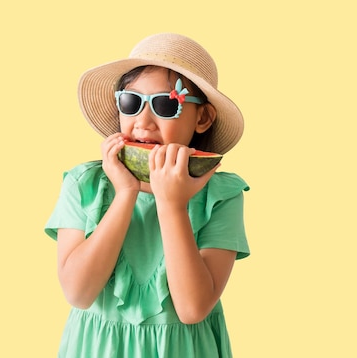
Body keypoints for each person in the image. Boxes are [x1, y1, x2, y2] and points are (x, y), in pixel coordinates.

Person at [44, 33, 250, 357]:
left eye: (165, 105)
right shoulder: (83, 184)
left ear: (203, 118)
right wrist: (125, 193)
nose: (143, 122)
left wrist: (172, 204)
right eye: (131, 102)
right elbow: (78, 293)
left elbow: (193, 308)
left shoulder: (221, 195)